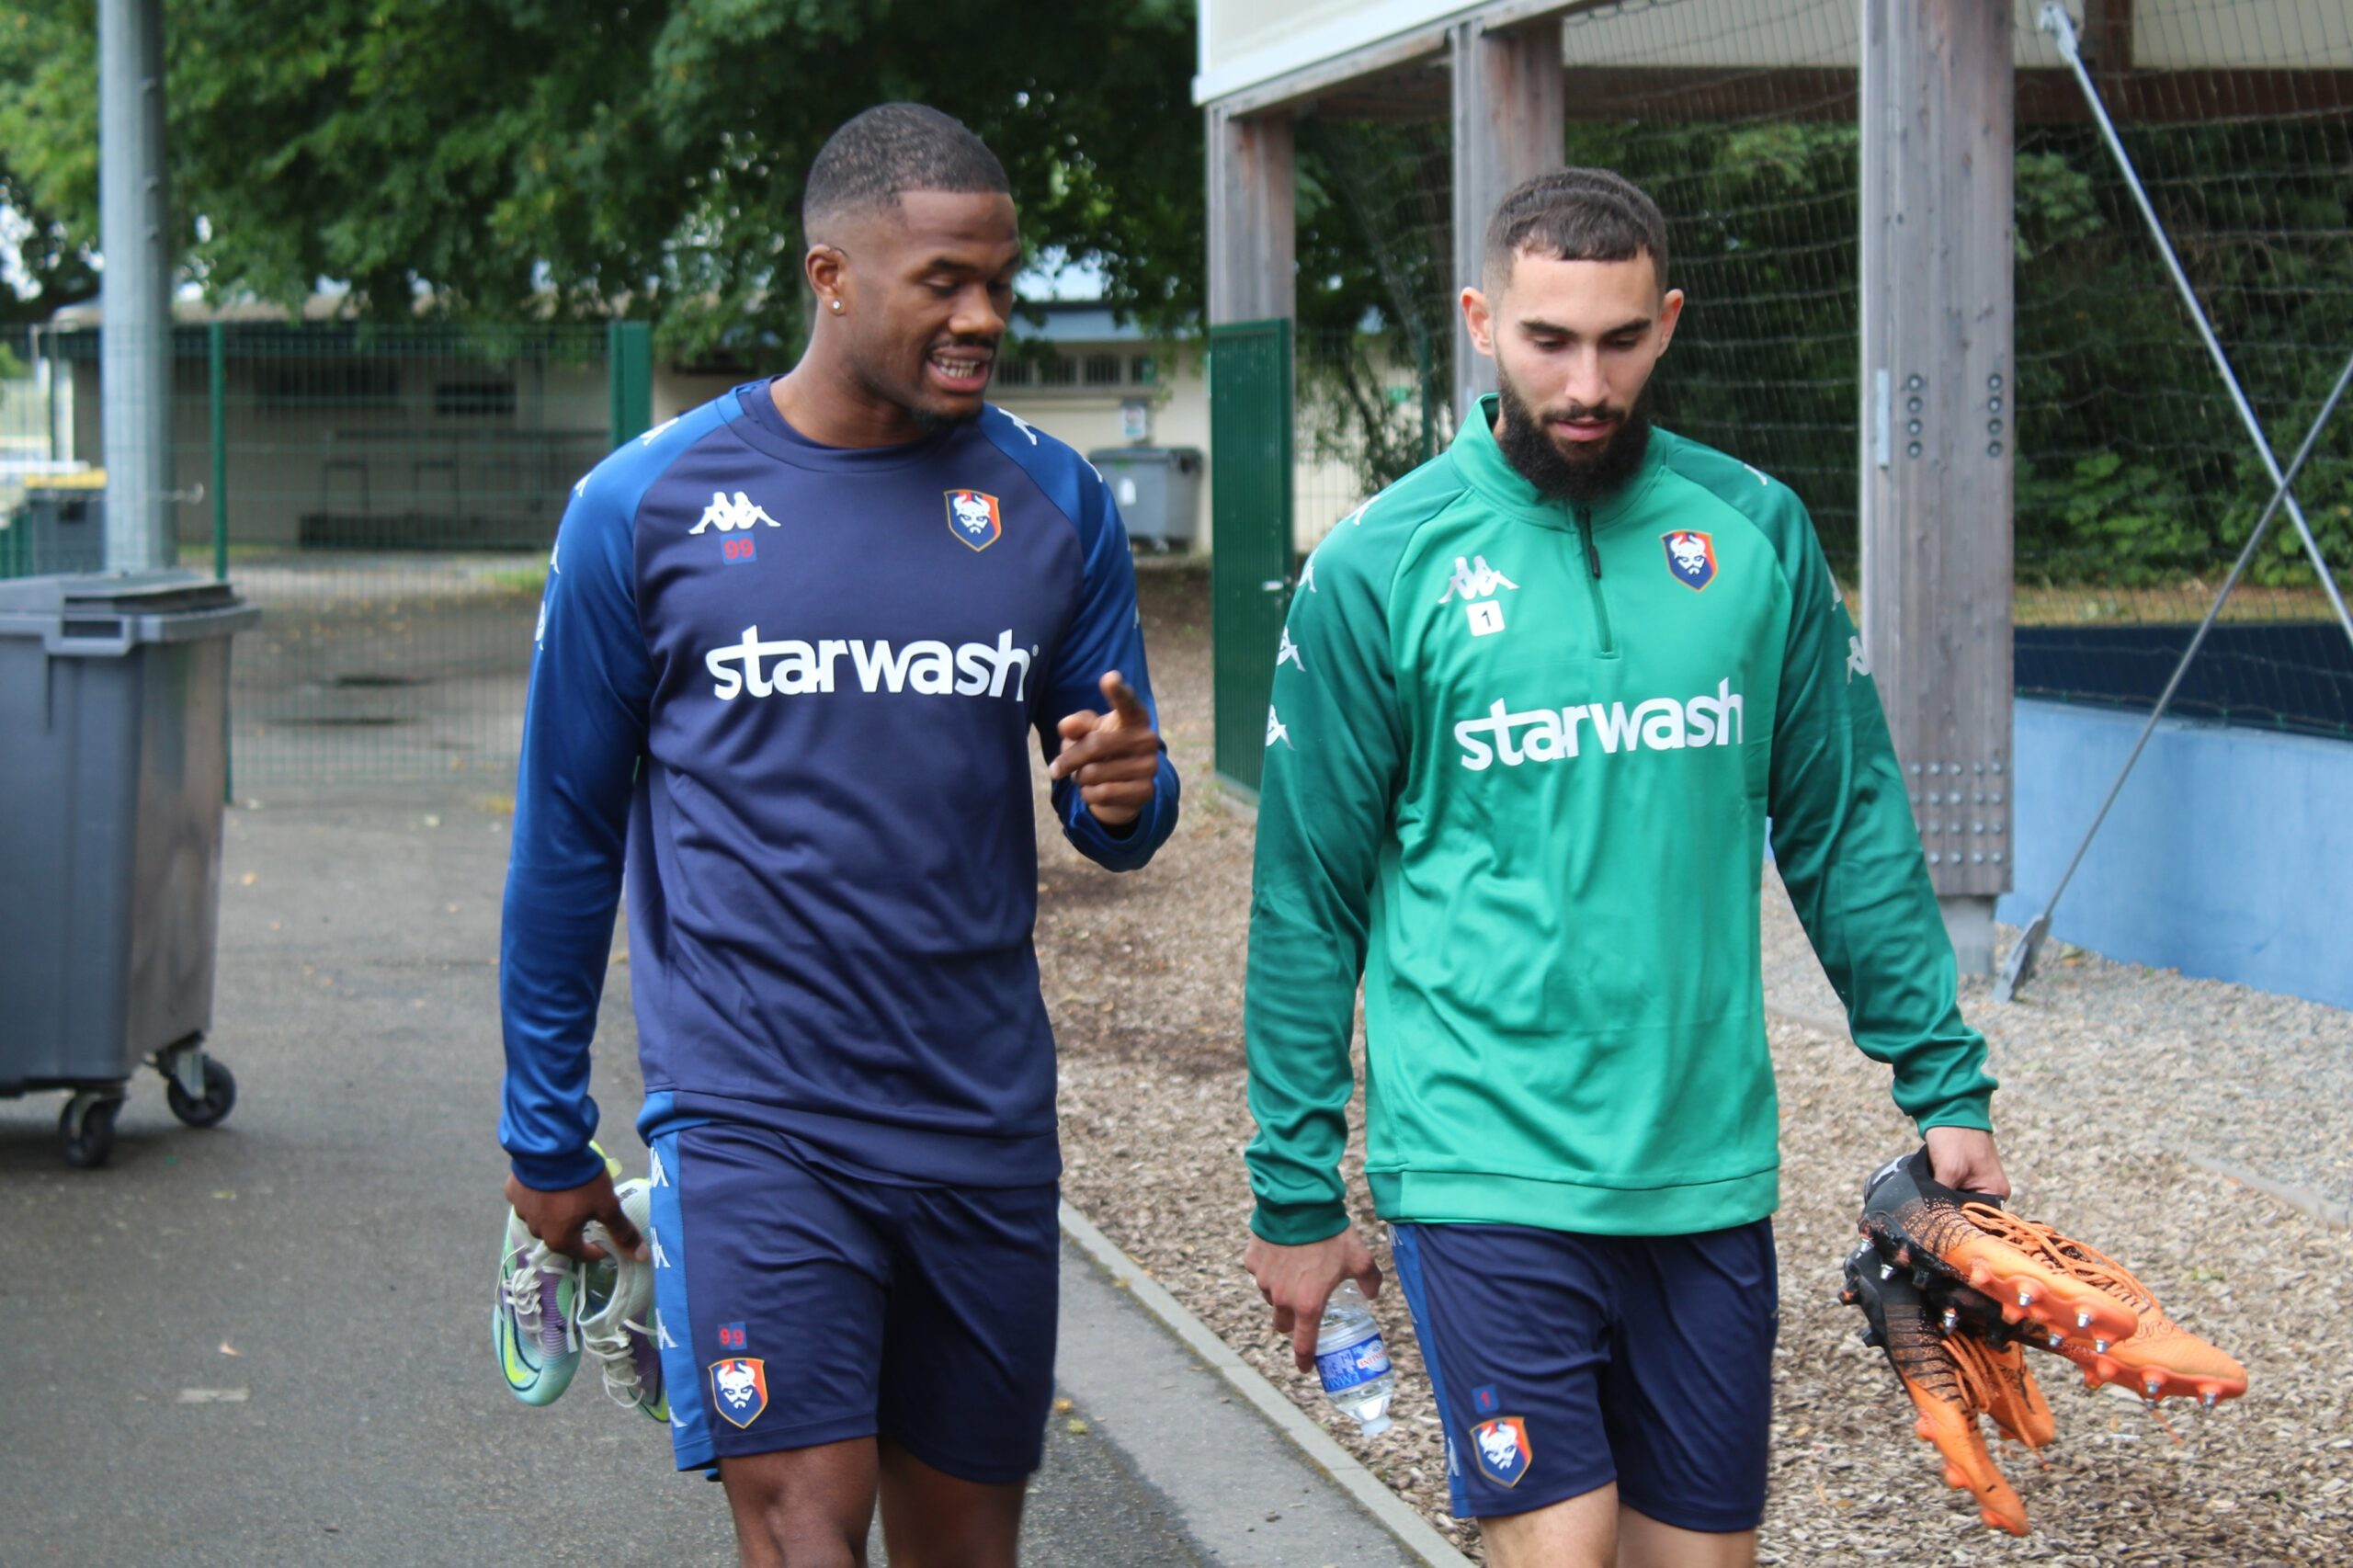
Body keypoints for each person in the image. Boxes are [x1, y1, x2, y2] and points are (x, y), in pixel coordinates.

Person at [1238, 167, 2004, 1568]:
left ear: (1667, 324)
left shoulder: (1756, 529)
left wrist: (1941, 1078)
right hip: (1482, 1155)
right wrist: (1295, 1191)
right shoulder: (1379, 563)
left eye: (1617, 339)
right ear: (1482, 321)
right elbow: (1308, 898)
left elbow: (1842, 825)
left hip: (1703, 1165)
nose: (1585, 381)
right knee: (1559, 1540)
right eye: (1548, 341)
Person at [495, 102, 1179, 1568]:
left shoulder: (1055, 501)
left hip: (980, 1120)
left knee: (965, 1551)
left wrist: (1125, 791)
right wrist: (541, 1122)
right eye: (944, 281)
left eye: (1000, 280)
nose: (982, 315)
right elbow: (564, 832)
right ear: (831, 275)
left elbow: (1113, 794)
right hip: (754, 1118)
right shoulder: (644, 506)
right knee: (806, 1529)